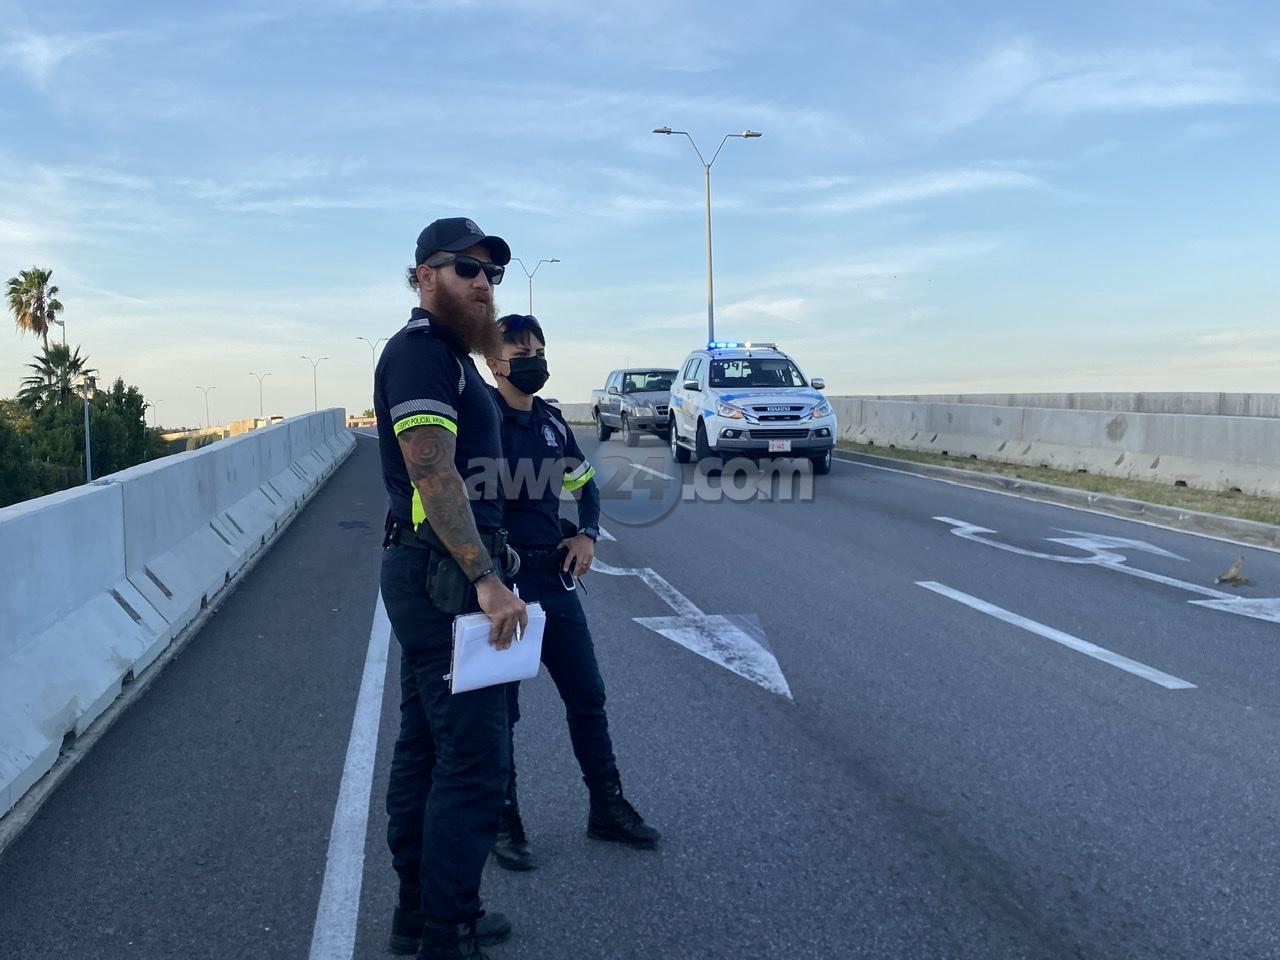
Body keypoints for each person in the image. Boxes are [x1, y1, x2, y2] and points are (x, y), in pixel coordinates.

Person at [375, 218, 527, 960]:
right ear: (424, 275)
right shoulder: (422, 354)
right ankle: (448, 931)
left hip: (438, 576)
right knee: (473, 757)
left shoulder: (453, 360)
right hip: (445, 580)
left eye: (491, 273)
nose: (483, 283)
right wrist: (486, 579)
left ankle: (421, 914)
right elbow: (432, 473)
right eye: (466, 268)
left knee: (429, 747)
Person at [482, 313, 660, 871]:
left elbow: (584, 485)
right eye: (521, 352)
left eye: (539, 351)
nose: (533, 360)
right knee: (500, 713)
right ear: (494, 362)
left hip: (553, 581)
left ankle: (606, 807)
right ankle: (503, 821)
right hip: (502, 585)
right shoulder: (478, 418)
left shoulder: (552, 422)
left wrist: (587, 533)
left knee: (587, 697)